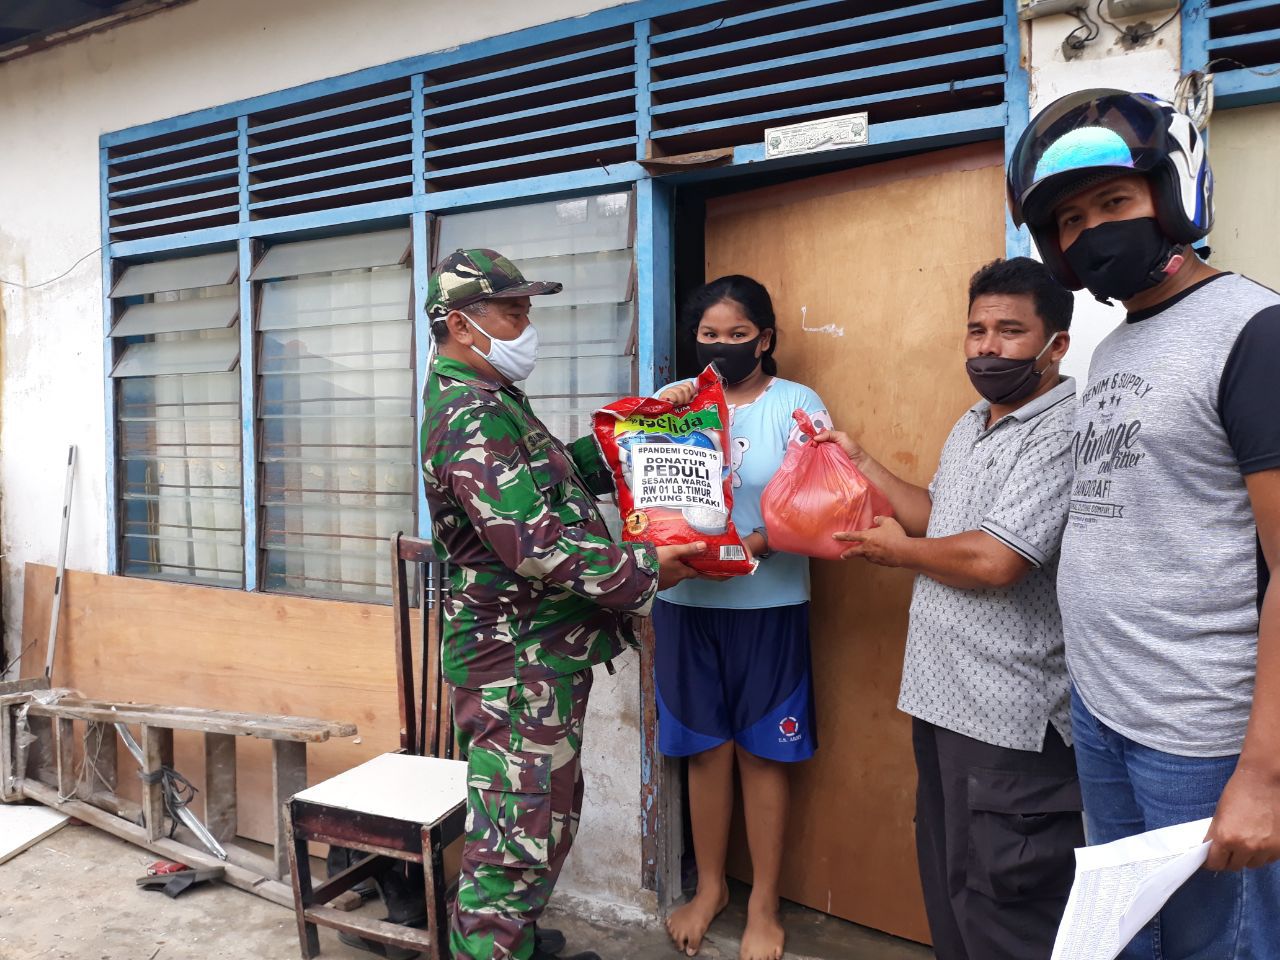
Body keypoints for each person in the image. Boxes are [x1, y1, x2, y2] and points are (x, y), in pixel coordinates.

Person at [1008, 89, 1280, 958]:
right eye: (1071, 220)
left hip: (1201, 733)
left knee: (1220, 946)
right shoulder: (1117, 345)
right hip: (1106, 711)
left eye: (1114, 204)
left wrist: (1265, 774)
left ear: (1170, 197)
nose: (1091, 233)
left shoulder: (1254, 334)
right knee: (1127, 941)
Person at [419, 248, 705, 960]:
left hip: (536, 661)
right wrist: (646, 571)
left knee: (543, 821)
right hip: (515, 668)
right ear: (461, 324)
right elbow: (536, 542)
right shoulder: (471, 416)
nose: (527, 324)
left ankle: (515, 942)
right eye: (512, 311)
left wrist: (636, 431)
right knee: (513, 843)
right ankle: (493, 946)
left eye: (527, 309)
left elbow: (550, 484)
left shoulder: (493, 403)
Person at [819, 257, 1081, 960]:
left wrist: (893, 552)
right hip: (943, 701)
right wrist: (862, 462)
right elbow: (941, 519)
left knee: (1007, 909)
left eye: (1008, 331)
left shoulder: (1062, 431)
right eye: (976, 330)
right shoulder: (974, 421)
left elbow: (996, 559)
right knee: (954, 892)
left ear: (1055, 344)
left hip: (1011, 721)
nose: (987, 347)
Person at [654, 276, 831, 960]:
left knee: (763, 755)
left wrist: (755, 544)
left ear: (766, 338)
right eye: (709, 335)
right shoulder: (675, 406)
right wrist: (655, 417)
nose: (723, 346)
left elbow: (819, 498)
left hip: (769, 603)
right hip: (686, 603)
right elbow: (648, 493)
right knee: (706, 751)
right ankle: (710, 890)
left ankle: (764, 903)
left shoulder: (796, 404)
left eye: (738, 335)